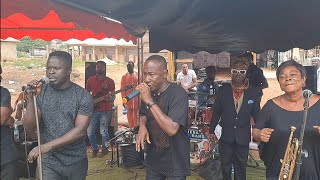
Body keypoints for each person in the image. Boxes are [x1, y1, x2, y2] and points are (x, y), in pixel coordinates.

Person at [23, 51, 93, 180]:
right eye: (48, 68)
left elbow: (80, 131)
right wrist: (31, 99)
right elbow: (30, 126)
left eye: (56, 68)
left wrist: (45, 147)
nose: (51, 72)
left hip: (75, 160)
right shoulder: (41, 93)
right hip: (49, 161)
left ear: (69, 70)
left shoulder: (83, 96)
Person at [252, 60, 320, 180]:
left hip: (313, 170)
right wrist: (259, 134)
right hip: (279, 172)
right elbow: (256, 131)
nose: (287, 78)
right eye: (282, 77)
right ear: (280, 83)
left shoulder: (318, 103)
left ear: (304, 80)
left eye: (293, 75)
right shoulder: (271, 106)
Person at [135, 55, 191, 179]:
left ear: (164, 74)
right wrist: (142, 127)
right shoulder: (148, 93)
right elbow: (143, 113)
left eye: (151, 74)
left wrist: (149, 100)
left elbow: (171, 129)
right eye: (145, 74)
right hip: (154, 159)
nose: (147, 79)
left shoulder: (178, 94)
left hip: (175, 161)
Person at [208, 56, 261, 180]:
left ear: (246, 74)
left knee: (241, 167)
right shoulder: (222, 90)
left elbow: (257, 115)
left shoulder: (253, 92)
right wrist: (211, 130)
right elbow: (216, 112)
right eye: (234, 71)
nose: (238, 74)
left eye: (241, 72)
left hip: (243, 136)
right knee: (225, 166)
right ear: (230, 73)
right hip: (226, 136)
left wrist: (258, 133)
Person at [86, 61, 115, 157]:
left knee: (104, 131)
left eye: (102, 67)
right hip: (93, 109)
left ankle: (104, 148)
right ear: (95, 68)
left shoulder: (110, 81)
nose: (100, 69)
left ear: (105, 68)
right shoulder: (90, 80)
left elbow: (113, 96)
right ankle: (94, 148)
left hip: (105, 109)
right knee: (90, 132)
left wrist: (110, 98)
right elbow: (87, 93)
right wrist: (91, 101)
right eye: (98, 67)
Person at [1, 65, 18, 180]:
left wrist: (6, 119)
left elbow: (1, 118)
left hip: (4, 155)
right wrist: (7, 119)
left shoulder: (3, 93)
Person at [121, 61, 139, 128]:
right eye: (127, 66)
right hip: (128, 100)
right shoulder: (124, 77)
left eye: (130, 66)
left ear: (133, 67)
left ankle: (136, 129)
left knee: (136, 115)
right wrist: (123, 101)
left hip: (137, 99)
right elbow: (122, 90)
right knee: (129, 115)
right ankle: (131, 128)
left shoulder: (138, 76)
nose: (128, 68)